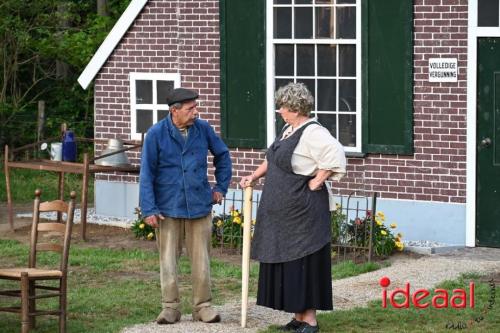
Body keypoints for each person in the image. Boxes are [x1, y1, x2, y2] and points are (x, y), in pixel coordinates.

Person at [239, 82, 346, 333]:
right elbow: (271, 159)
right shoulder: (289, 129)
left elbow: (336, 155)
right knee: (288, 264)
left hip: (304, 215)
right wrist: (253, 177)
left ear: (296, 108)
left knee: (303, 263)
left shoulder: (313, 132)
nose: (279, 111)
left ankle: (310, 320)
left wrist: (317, 181)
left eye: (282, 107)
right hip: (284, 216)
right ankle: (298, 316)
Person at [139, 87, 232, 324]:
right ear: (174, 111)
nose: (195, 112)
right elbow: (146, 174)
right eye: (191, 108)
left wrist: (220, 187)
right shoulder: (155, 134)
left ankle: (203, 307)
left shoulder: (203, 129)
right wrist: (149, 209)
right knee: (168, 260)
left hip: (199, 205)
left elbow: (223, 155)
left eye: (195, 107)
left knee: (201, 260)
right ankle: (170, 308)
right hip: (167, 207)